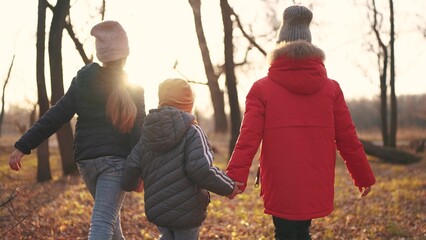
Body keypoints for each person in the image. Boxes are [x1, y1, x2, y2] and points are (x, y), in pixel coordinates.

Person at [225, 5, 376, 240]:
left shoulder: (261, 89)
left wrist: (234, 178)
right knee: (302, 230)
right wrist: (363, 176)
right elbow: (348, 138)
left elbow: (248, 138)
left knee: (283, 232)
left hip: (280, 181)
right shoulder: (331, 89)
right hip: (315, 180)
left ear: (279, 45)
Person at [8, 20, 146, 240]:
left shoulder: (84, 80)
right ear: (125, 55)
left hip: (86, 162)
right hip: (115, 164)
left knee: (111, 222)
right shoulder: (134, 90)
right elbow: (138, 135)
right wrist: (141, 171)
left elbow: (56, 115)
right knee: (103, 223)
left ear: (101, 54)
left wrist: (23, 145)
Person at [121, 78, 240, 240]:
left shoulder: (147, 134)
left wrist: (132, 184)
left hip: (158, 209)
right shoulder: (192, 132)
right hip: (187, 210)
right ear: (187, 103)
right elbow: (201, 170)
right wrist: (229, 187)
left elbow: (131, 166)